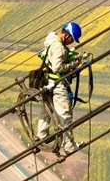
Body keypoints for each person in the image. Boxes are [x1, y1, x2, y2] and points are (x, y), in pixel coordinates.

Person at [36, 21, 86, 154]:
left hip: (48, 82)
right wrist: (74, 65)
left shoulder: (52, 41)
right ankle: (69, 146)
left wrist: (74, 57)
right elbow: (57, 67)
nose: (71, 43)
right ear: (67, 35)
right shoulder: (59, 47)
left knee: (46, 110)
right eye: (72, 39)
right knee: (65, 115)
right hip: (58, 84)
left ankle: (41, 136)